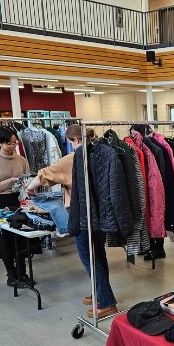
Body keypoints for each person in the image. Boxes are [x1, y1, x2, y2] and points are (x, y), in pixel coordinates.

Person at [26, 125, 117, 312]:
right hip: (100, 214)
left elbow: (44, 174)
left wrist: (30, 188)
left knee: (90, 259)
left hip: (82, 215)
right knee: (98, 255)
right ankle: (100, 292)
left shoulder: (73, 158)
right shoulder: (102, 153)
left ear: (74, 140)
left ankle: (107, 302)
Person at [0, 127, 33, 289]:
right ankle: (11, 274)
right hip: (0, 203)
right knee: (6, 241)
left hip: (19, 201)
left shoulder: (21, 160)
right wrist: (12, 180)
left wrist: (28, 184)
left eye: (14, 143)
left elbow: (28, 179)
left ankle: (22, 273)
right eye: (9, 143)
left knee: (21, 237)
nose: (13, 146)